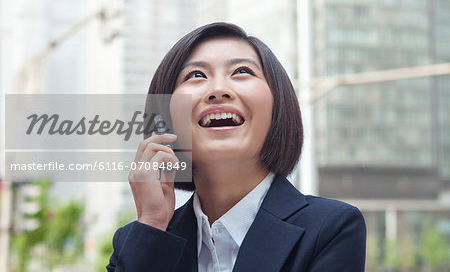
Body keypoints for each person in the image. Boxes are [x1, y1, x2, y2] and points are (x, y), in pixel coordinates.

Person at [107, 22, 366, 272]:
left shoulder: (331, 229)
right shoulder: (134, 242)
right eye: (196, 75)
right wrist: (152, 226)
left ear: (278, 108)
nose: (218, 89)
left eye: (242, 71)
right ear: (166, 117)